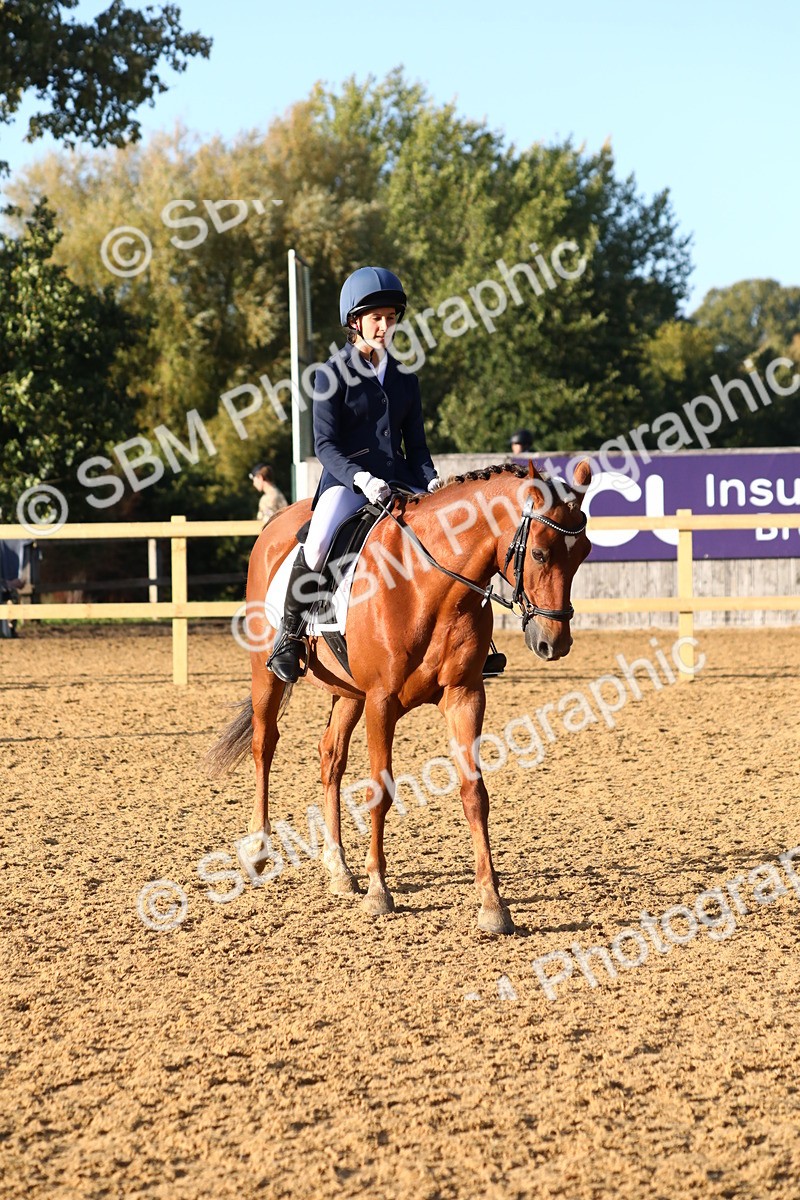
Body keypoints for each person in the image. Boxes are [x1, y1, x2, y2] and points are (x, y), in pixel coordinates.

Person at [267, 266, 443, 683]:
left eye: (391, 317)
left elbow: (415, 447)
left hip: (400, 479)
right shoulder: (331, 375)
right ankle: (289, 636)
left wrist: (432, 482)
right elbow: (324, 445)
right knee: (320, 538)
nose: (385, 326)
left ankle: (463, 639)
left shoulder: (405, 379)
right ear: (355, 322)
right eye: (376, 318)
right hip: (349, 484)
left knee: (448, 532)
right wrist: (361, 478)